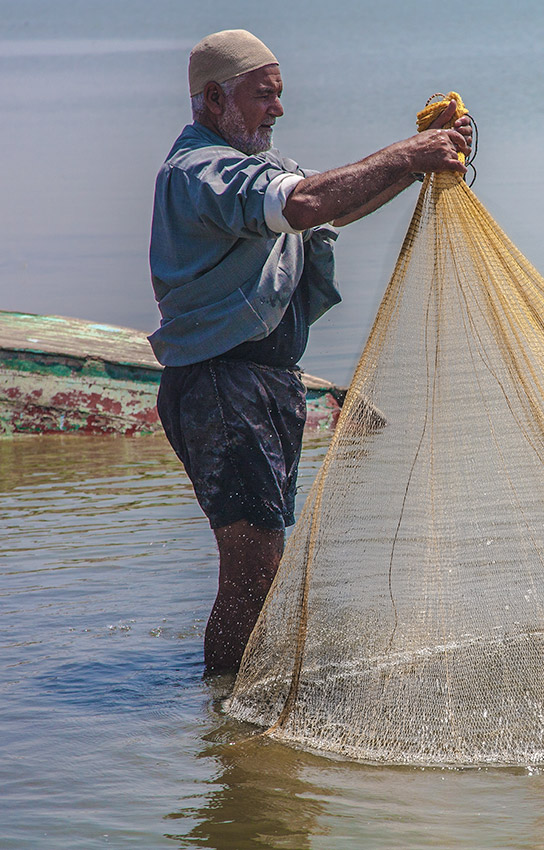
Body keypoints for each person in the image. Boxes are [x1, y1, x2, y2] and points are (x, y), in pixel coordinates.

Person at [149, 29, 472, 675]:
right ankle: (226, 717)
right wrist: (409, 151)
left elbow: (331, 209)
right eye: (264, 96)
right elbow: (308, 202)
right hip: (223, 385)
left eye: (279, 95)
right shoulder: (200, 172)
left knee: (261, 566)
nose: (278, 109)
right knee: (252, 575)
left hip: (258, 384)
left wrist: (420, 165)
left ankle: (239, 733)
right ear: (215, 99)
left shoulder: (253, 170)